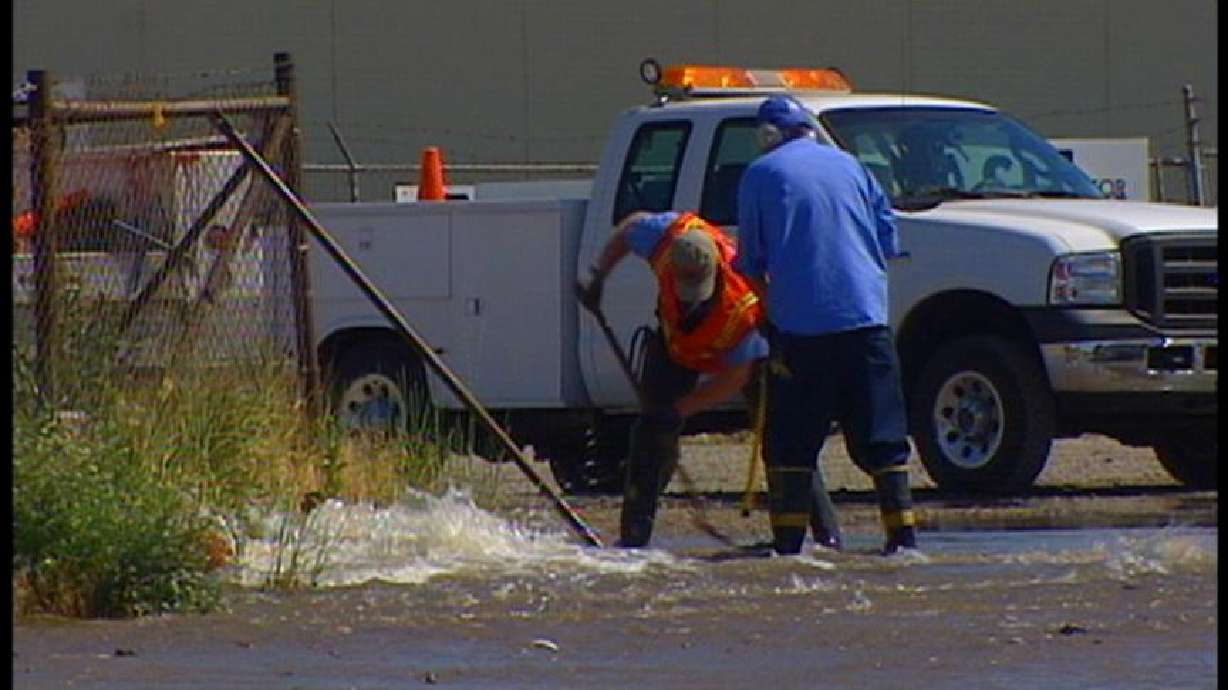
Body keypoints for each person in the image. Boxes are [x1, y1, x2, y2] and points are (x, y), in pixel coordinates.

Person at [578, 210, 842, 550]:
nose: (690, 303)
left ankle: (824, 538)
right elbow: (629, 229)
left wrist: (682, 409)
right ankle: (633, 538)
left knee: (783, 438)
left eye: (696, 293)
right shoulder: (667, 237)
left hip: (742, 356)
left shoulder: (742, 302)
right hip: (677, 347)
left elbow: (734, 378)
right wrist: (599, 278)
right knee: (650, 431)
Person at [735, 94, 919, 556]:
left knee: (792, 443)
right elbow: (887, 241)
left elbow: (751, 264)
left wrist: (775, 314)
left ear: (768, 135)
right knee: (883, 438)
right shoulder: (853, 167)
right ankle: (904, 541)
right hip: (867, 322)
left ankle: (790, 548)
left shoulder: (760, 175)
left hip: (803, 331)